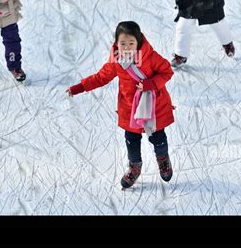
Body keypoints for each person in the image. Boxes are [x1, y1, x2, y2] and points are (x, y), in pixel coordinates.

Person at [67, 21, 175, 188]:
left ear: (138, 42)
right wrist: (80, 87)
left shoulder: (151, 57)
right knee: (131, 140)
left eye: (131, 43)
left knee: (158, 138)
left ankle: (163, 160)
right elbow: (100, 77)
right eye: (122, 43)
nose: (126, 47)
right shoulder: (116, 62)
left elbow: (167, 71)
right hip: (130, 109)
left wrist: (150, 84)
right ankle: (134, 167)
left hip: (153, 108)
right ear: (116, 43)